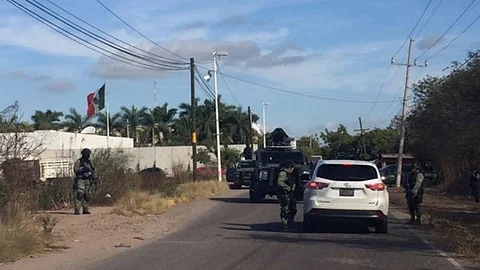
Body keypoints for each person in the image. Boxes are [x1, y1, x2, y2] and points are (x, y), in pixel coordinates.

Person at [73, 148, 96, 215]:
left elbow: (92, 170)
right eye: (87, 154)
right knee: (80, 194)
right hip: (80, 179)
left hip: (88, 180)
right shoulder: (78, 161)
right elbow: (76, 170)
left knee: (87, 195)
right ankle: (77, 209)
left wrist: (94, 178)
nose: (88, 155)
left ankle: (85, 209)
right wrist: (83, 169)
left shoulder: (90, 162)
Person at [276, 161, 297, 230]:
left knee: (293, 209)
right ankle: (285, 224)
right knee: (285, 209)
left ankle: (290, 223)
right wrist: (287, 187)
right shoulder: (283, 173)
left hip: (290, 194)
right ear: (289, 168)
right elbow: (280, 182)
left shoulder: (290, 174)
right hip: (284, 194)